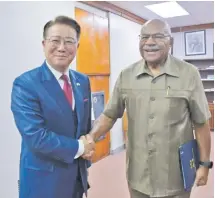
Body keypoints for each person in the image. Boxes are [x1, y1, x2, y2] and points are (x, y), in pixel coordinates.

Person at [82, 19, 213, 198]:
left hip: (176, 176)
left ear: (170, 42)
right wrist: (91, 137)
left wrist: (205, 165)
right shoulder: (126, 75)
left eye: (158, 36)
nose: (149, 42)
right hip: (138, 176)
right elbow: (109, 115)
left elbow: (201, 123)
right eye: (144, 37)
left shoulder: (189, 74)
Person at [11, 16, 95, 198]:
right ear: (44, 44)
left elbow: (84, 125)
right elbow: (36, 136)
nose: (62, 47)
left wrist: (90, 144)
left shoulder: (83, 81)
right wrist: (81, 148)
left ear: (77, 47)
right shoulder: (25, 84)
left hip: (76, 179)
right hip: (43, 181)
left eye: (69, 41)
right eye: (55, 40)